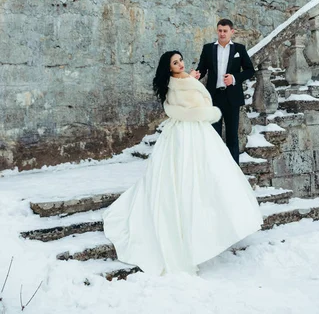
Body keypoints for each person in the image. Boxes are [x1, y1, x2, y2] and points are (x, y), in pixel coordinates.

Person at [102, 50, 262, 276]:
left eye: (180, 60)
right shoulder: (178, 85)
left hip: (198, 130)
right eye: (175, 63)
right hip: (187, 132)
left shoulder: (185, 80)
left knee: (212, 176)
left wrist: (192, 81)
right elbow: (195, 108)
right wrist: (195, 89)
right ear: (169, 67)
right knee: (186, 176)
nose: (180, 64)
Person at [195, 19, 255, 164]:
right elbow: (202, 69)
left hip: (232, 98)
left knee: (232, 136)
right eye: (220, 30)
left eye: (225, 31)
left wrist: (234, 78)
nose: (222, 34)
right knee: (213, 136)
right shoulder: (208, 48)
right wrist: (197, 74)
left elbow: (250, 70)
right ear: (217, 31)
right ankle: (215, 170)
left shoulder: (239, 49)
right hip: (214, 98)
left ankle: (234, 172)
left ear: (231, 32)